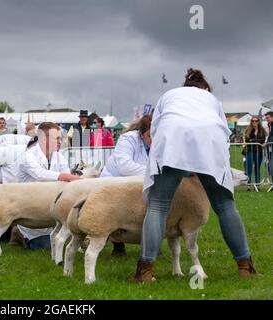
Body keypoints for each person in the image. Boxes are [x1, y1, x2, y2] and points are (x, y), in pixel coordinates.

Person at [134, 68, 259, 282]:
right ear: (204, 87)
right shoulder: (211, 99)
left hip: (171, 136)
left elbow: (154, 129)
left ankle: (145, 271)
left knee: (158, 206)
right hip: (209, 138)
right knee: (225, 206)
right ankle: (245, 266)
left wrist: (176, 159)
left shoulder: (169, 95)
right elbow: (223, 132)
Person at [18, 122, 80, 249]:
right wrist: (70, 177)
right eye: (56, 138)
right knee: (45, 246)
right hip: (31, 213)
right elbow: (40, 174)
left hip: (52, 209)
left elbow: (67, 183)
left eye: (60, 138)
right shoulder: (28, 156)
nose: (60, 141)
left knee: (69, 241)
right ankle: (16, 233)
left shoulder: (59, 156)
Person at [100, 115, 151, 256]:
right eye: (149, 135)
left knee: (148, 212)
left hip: (140, 182)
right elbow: (124, 167)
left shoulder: (160, 142)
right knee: (115, 215)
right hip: (115, 180)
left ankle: (152, 244)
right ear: (141, 134)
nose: (153, 139)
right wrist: (153, 171)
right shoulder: (128, 139)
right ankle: (118, 245)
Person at [243, 116, 267, 191]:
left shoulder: (262, 130)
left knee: (257, 169)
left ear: (259, 121)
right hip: (249, 151)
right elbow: (247, 140)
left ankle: (257, 185)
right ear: (251, 122)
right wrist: (256, 140)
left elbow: (262, 140)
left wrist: (255, 138)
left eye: (256, 121)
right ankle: (249, 185)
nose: (254, 122)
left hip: (258, 152)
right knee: (249, 168)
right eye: (253, 121)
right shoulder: (248, 129)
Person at [264, 111, 273, 183]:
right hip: (270, 149)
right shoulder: (269, 125)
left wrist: (267, 143)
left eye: (267, 118)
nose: (266, 119)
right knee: (270, 167)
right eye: (266, 118)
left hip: (271, 147)